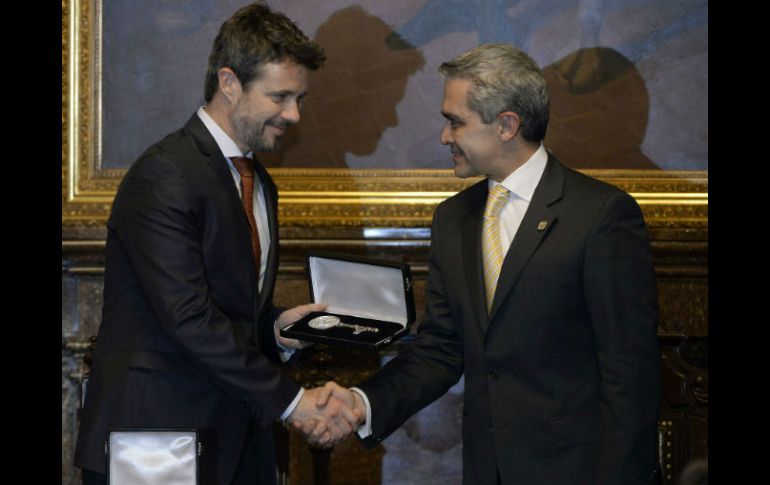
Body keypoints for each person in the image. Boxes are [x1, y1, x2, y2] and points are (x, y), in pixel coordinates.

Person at [316, 43, 663, 484]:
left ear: (506, 125)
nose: (445, 136)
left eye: (455, 122)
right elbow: (442, 347)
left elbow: (629, 373)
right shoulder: (453, 219)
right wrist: (361, 403)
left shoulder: (601, 215)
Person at [74, 3, 360, 485]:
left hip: (235, 436)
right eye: (280, 96)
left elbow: (227, 306)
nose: (293, 114)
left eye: (299, 98)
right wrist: (292, 401)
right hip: (158, 443)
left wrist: (274, 330)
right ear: (229, 83)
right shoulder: (165, 173)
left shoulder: (258, 180)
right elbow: (187, 317)